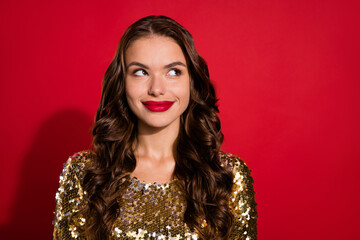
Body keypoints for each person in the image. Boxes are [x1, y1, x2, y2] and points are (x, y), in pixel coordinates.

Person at [53, 15, 257, 240]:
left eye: (173, 72)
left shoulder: (228, 174)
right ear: (121, 82)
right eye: (141, 72)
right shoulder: (84, 174)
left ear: (192, 81)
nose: (156, 89)